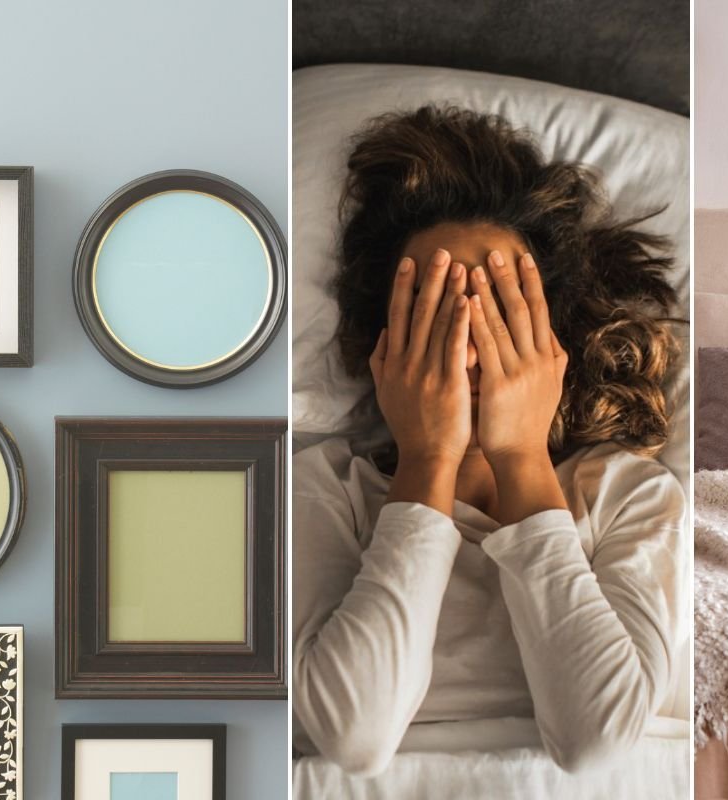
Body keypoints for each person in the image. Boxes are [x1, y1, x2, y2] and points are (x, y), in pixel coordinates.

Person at [292, 105, 687, 776]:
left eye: (502, 315)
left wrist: (521, 458)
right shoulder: (325, 488)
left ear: (551, 345)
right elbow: (354, 734)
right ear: (382, 345)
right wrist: (427, 460)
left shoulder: (627, 493)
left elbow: (596, 739)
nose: (471, 349)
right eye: (434, 313)